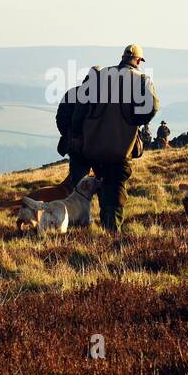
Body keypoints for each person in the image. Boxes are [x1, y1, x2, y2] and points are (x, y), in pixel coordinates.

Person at [69, 44, 160, 233]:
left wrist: (78, 134)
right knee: (116, 186)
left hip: (94, 146)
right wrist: (135, 120)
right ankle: (111, 231)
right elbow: (152, 107)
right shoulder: (141, 79)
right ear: (138, 61)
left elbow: (80, 108)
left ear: (122, 57)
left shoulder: (100, 76)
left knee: (102, 183)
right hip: (121, 146)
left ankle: (103, 226)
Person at [56, 67, 102, 189]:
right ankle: (103, 206)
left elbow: (61, 119)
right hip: (99, 146)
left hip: (76, 147)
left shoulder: (72, 93)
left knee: (78, 184)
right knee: (102, 181)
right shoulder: (105, 97)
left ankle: (77, 206)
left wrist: (70, 135)